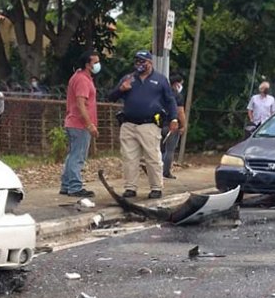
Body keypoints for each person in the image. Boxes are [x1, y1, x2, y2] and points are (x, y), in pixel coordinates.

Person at [108, 50, 178, 199]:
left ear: (150, 63)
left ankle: (156, 187)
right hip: (128, 124)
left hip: (149, 125)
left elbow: (170, 100)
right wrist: (121, 90)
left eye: (142, 61)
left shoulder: (160, 80)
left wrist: (174, 118)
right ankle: (130, 188)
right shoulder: (128, 78)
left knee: (152, 157)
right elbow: (111, 97)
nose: (139, 64)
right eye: (137, 61)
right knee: (129, 158)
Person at [59, 51, 101, 198]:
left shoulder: (79, 77)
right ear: (87, 64)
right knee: (78, 156)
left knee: (72, 155)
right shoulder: (82, 80)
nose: (97, 65)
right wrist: (89, 124)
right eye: (95, 62)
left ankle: (66, 184)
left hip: (73, 122)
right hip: (79, 124)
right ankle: (75, 186)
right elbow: (81, 103)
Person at [161, 74, 187, 179]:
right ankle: (166, 172)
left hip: (159, 124)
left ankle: (157, 170)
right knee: (169, 150)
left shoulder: (162, 94)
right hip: (172, 125)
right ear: (176, 84)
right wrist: (183, 126)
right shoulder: (177, 96)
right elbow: (180, 112)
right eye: (181, 84)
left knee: (159, 149)